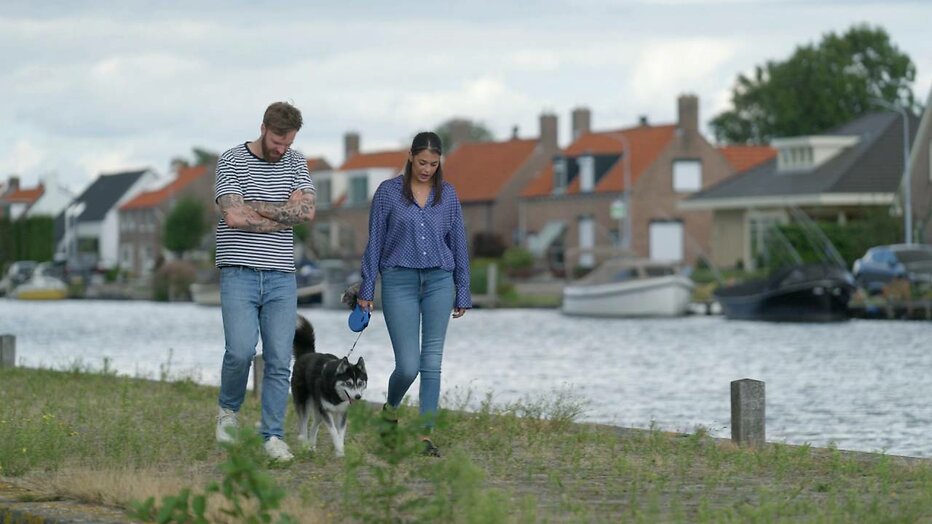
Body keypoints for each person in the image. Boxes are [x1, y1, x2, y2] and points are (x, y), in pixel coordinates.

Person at [356, 131, 471, 456]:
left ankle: (425, 435)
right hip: (398, 281)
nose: (427, 169)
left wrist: (462, 288)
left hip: (439, 281)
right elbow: (374, 241)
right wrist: (367, 287)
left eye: (434, 164)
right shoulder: (387, 193)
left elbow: (458, 243)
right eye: (422, 162)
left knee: (432, 362)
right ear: (410, 157)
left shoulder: (447, 195)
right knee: (408, 365)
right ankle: (390, 411)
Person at [213, 101, 316, 462]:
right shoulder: (231, 160)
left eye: (287, 143)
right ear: (263, 128)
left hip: (280, 276)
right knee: (240, 351)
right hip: (239, 272)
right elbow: (233, 216)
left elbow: (307, 211)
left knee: (278, 359)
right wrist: (282, 212)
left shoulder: (296, 162)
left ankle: (272, 435)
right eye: (276, 141)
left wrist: (257, 207)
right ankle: (228, 411)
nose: (281, 149)